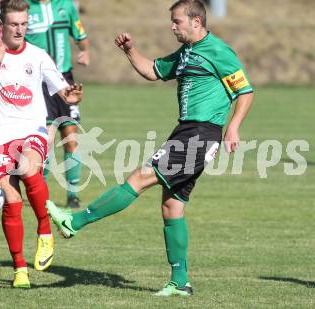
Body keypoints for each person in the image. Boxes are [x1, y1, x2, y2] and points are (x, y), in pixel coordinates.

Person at [47, 0, 254, 296]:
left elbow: (244, 91)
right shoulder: (187, 53)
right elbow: (153, 71)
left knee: (140, 177)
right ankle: (180, 282)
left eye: (177, 21)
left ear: (196, 21)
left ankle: (74, 221)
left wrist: (232, 127)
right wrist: (130, 50)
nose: (172, 26)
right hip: (185, 131)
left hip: (200, 134)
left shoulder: (219, 52)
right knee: (172, 207)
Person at [0, 0, 83, 288]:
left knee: (27, 166)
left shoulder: (38, 55)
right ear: (2, 24)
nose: (20, 29)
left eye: (24, 23)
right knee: (11, 201)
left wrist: (69, 95)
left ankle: (45, 232)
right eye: (14, 24)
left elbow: (60, 87)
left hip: (30, 129)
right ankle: (19, 269)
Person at [25, 0, 90, 209]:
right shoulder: (26, 8)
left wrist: (84, 51)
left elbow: (81, 35)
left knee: (71, 138)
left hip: (65, 79)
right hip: (39, 83)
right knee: (45, 142)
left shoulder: (66, 6)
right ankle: (41, 195)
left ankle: (73, 195)